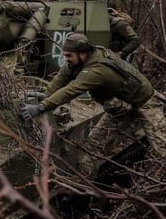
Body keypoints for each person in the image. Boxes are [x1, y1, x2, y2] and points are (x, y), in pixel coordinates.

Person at [20, 33, 166, 177]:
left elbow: (72, 90)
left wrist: (41, 107)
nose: (66, 59)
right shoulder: (87, 57)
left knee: (162, 149)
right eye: (64, 55)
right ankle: (84, 186)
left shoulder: (96, 70)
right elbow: (64, 74)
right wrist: (48, 93)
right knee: (94, 146)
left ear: (82, 53)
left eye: (69, 56)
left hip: (145, 102)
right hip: (121, 106)